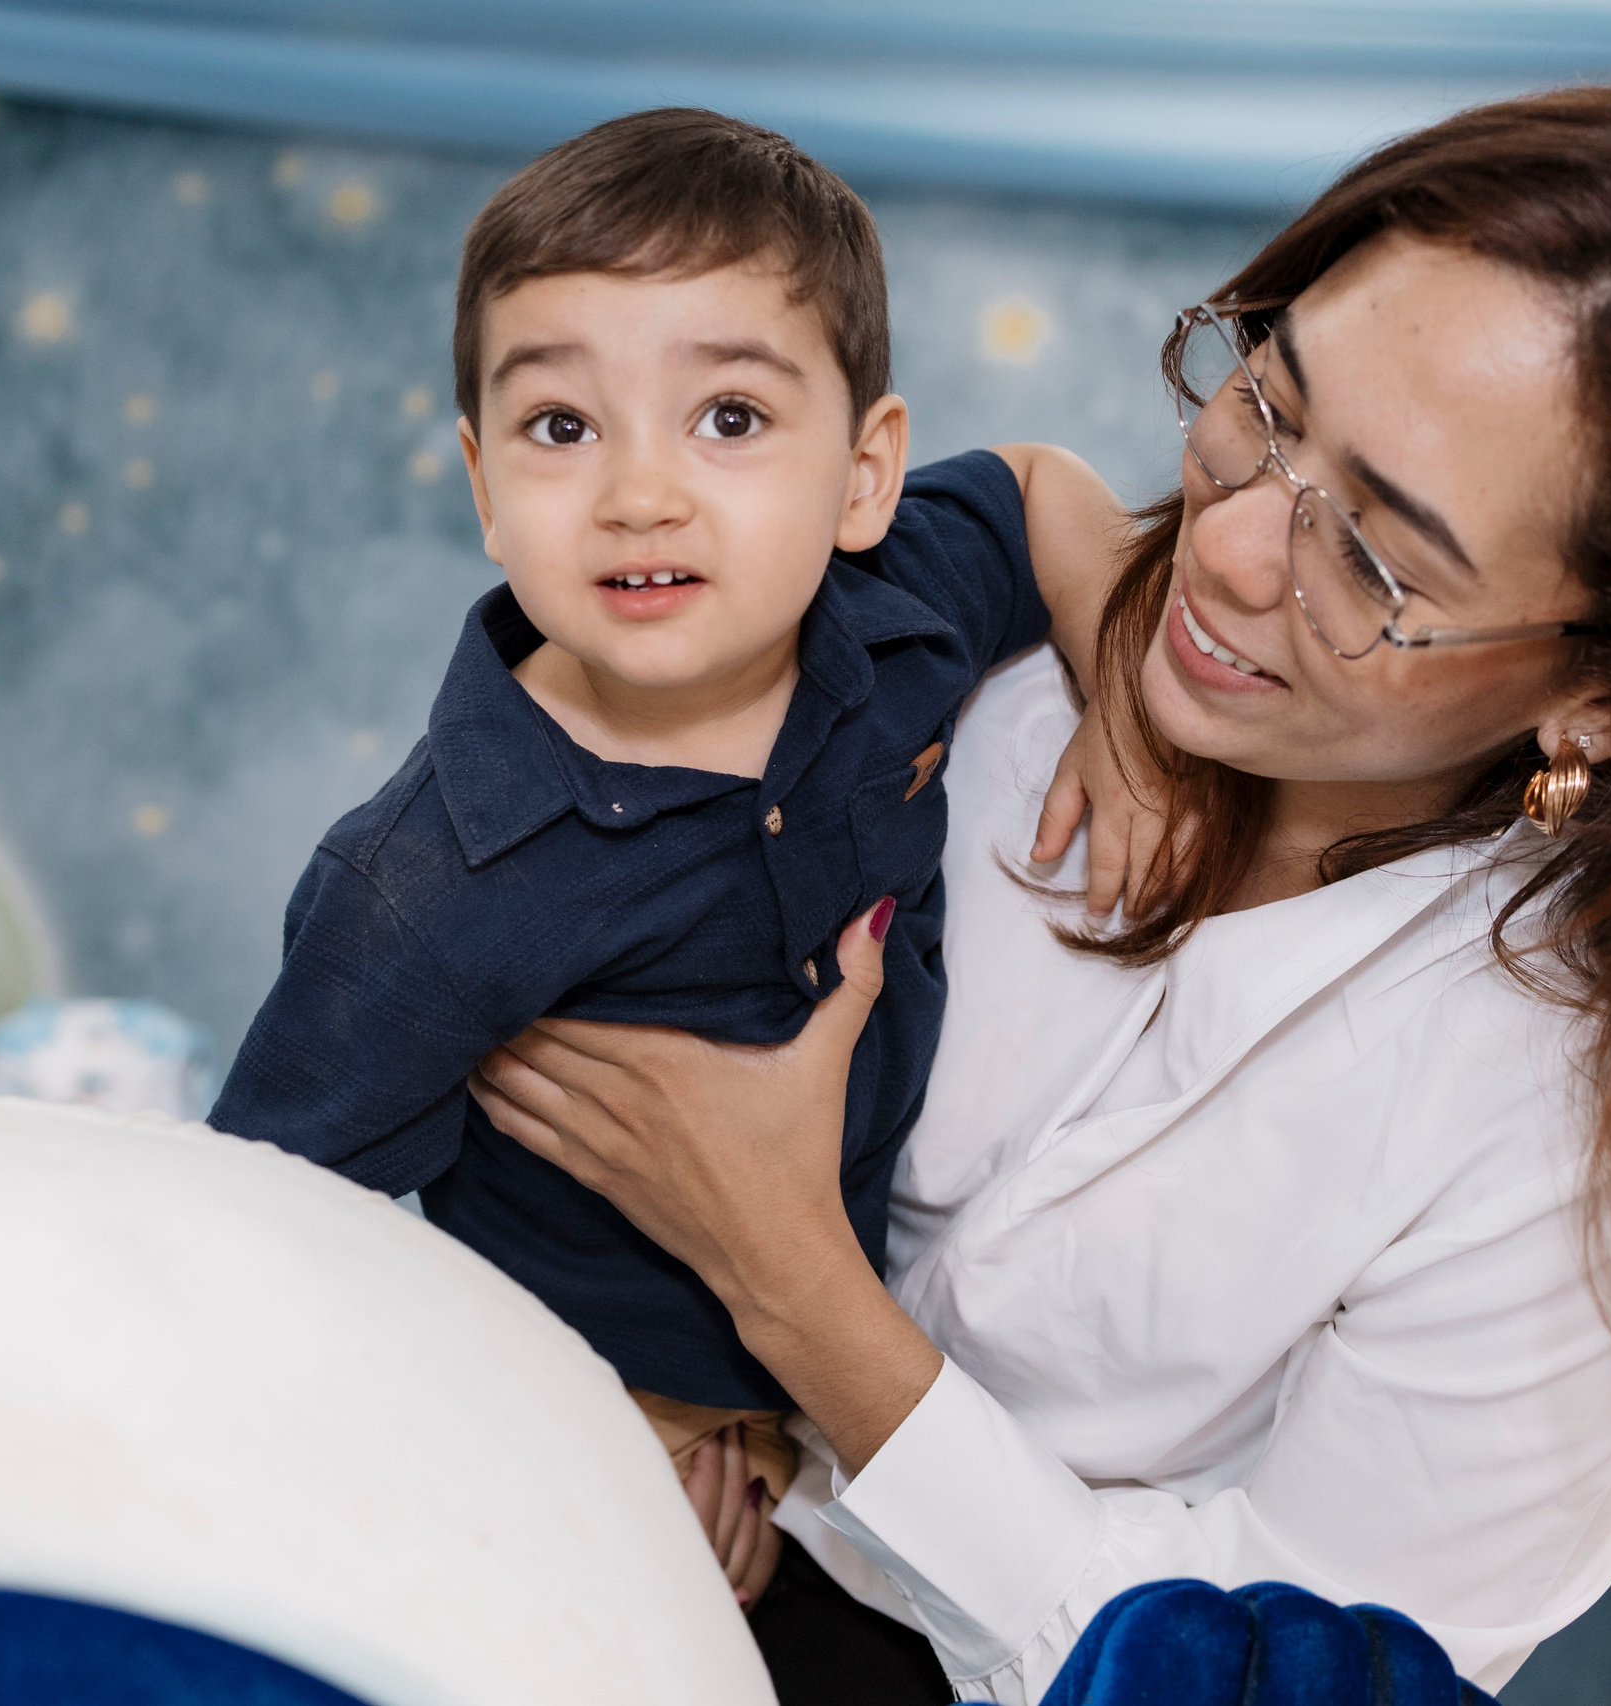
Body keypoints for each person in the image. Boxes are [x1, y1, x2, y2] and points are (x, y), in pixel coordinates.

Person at [466, 86, 1611, 1702]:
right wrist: (650, 1394)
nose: (1227, 550)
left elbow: (1281, 1665)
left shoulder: (1570, 1136)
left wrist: (794, 1300)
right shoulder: (986, 645)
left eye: (1380, 559)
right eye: (1266, 400)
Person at [205, 107, 1139, 1598]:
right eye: (562, 427)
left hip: (872, 1357)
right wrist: (559, 1445)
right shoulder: (434, 885)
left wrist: (1134, 702)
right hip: (580, 1403)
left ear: (864, 474)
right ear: (484, 487)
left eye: (729, 419)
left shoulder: (898, 611)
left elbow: (1040, 493)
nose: (640, 491)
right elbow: (258, 1229)